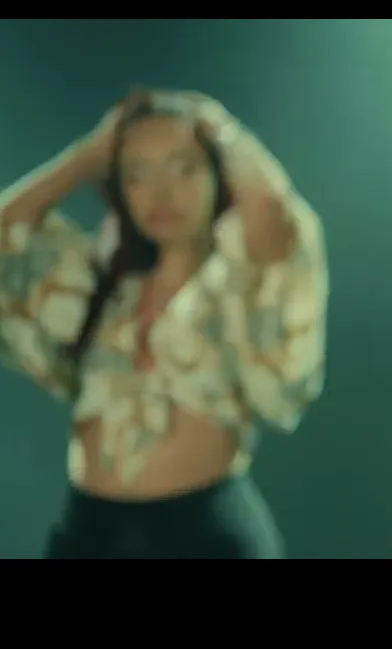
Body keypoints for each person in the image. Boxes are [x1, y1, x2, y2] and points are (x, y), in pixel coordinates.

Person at [0, 89, 328, 559]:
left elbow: (275, 216)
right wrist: (86, 156)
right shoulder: (96, 289)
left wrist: (220, 128)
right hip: (90, 531)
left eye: (184, 168)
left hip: (202, 534)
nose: (161, 193)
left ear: (217, 174)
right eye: (137, 173)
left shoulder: (236, 286)